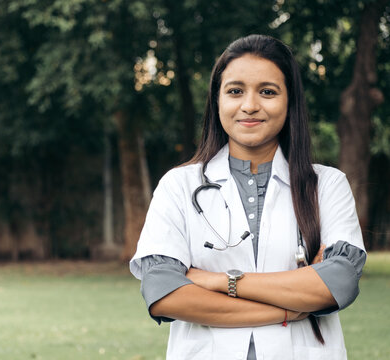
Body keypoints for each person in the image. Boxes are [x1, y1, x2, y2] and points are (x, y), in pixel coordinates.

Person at [129, 34, 366, 360]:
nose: (250, 105)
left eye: (267, 92)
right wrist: (288, 310)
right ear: (217, 100)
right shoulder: (178, 186)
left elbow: (339, 283)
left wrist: (216, 281)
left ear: (290, 101)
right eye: (235, 91)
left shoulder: (327, 184)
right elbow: (163, 295)